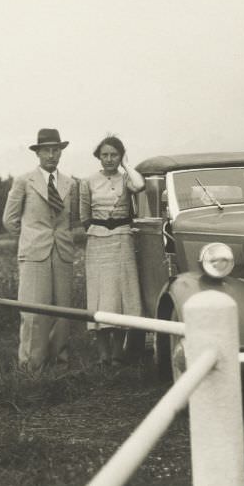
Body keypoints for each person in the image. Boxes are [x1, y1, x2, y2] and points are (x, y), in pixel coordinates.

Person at [2, 128, 78, 372]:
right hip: (34, 254)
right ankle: (32, 367)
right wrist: (32, 237)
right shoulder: (24, 181)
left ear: (61, 152)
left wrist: (60, 238)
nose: (52, 155)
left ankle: (59, 364)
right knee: (33, 312)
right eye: (47, 150)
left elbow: (72, 218)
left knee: (62, 311)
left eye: (56, 150)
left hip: (63, 252)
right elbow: (10, 220)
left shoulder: (70, 183)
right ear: (38, 153)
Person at [80, 135, 145, 366]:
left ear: (120, 156)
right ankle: (103, 355)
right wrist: (99, 230)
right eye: (105, 155)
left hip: (122, 240)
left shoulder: (127, 179)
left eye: (114, 155)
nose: (109, 159)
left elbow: (140, 185)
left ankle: (118, 353)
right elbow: (84, 216)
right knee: (100, 296)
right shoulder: (88, 182)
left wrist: (126, 165)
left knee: (120, 296)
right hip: (98, 242)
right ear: (98, 156)